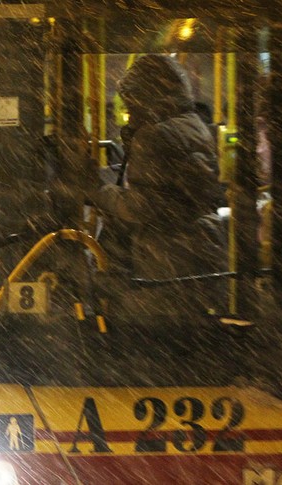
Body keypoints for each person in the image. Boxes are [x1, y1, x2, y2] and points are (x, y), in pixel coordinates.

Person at [91, 54, 226, 318]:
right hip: (197, 256)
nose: (129, 115)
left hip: (162, 265)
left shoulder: (155, 134)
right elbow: (168, 185)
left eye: (131, 105)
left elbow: (141, 207)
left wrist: (97, 190)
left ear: (146, 98)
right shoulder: (194, 126)